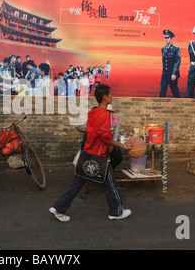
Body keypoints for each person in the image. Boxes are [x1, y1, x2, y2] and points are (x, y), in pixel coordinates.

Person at [49, 84, 134, 222]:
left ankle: (58, 208)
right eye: (110, 94)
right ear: (105, 97)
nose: (112, 97)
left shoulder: (93, 113)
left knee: (78, 182)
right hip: (98, 156)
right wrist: (123, 146)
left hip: (88, 153)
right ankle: (116, 212)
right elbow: (105, 138)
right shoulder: (104, 115)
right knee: (110, 184)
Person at [159, 29, 181, 98]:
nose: (165, 39)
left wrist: (174, 73)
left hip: (172, 74)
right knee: (162, 92)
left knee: (175, 92)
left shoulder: (176, 49)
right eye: (164, 38)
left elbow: (177, 61)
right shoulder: (163, 49)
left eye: (167, 38)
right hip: (165, 74)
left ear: (171, 38)